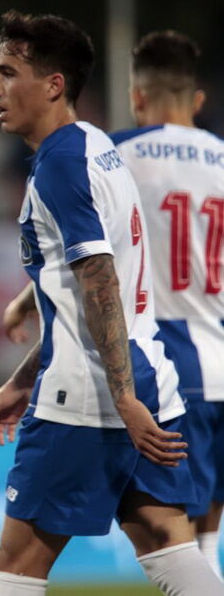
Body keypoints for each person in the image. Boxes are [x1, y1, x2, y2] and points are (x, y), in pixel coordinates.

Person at [0, 10, 223, 595]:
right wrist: (19, 381)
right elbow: (78, 296)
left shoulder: (63, 163)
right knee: (169, 541)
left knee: (17, 561)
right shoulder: (95, 145)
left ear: (54, 84)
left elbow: (99, 282)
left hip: (87, 396)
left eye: (8, 73)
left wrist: (121, 399)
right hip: (150, 372)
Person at [111, 31, 224, 577]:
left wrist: (22, 303)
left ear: (137, 97)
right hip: (220, 348)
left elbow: (88, 250)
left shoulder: (115, 156)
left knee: (179, 540)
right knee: (208, 538)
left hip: (173, 364)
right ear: (197, 100)